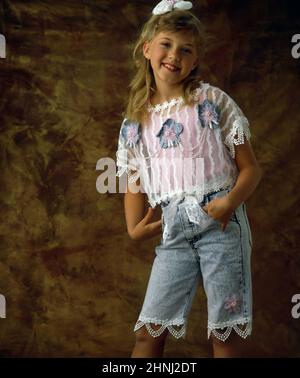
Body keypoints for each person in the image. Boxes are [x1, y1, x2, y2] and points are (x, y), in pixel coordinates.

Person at [115, 0, 262, 358]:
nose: (174, 55)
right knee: (149, 333)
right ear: (147, 48)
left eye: (185, 49)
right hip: (174, 230)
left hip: (221, 224)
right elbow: (134, 180)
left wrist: (229, 202)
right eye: (166, 44)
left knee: (223, 335)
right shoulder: (134, 121)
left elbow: (251, 169)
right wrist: (134, 227)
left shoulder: (211, 102)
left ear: (194, 60)